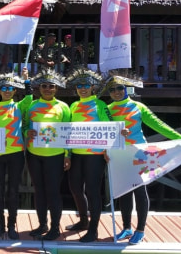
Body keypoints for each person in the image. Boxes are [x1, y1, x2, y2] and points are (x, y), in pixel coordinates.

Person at [104, 74, 181, 245]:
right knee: (124, 192)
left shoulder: (138, 106)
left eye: (119, 88)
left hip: (139, 154)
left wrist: (180, 138)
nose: (116, 92)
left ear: (126, 88)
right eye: (112, 90)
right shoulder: (107, 109)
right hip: (119, 154)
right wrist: (105, 150)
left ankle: (140, 230)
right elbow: (104, 134)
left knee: (140, 192)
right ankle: (126, 227)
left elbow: (158, 125)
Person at [0, 68, 31, 240]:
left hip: (16, 153)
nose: (7, 91)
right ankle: (0, 225)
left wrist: (26, 80)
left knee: (12, 191)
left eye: (10, 88)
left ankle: (12, 225)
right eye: (3, 88)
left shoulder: (19, 106)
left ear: (14, 91)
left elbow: (29, 98)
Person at [24, 68, 71, 241]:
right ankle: (42, 224)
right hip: (34, 154)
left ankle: (55, 227)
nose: (47, 89)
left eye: (51, 86)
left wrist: (68, 155)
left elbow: (68, 133)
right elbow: (25, 126)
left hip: (56, 155)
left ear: (56, 88)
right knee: (39, 191)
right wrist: (27, 132)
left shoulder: (63, 107)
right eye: (44, 86)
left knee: (52, 191)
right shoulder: (32, 105)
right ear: (39, 88)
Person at [66, 67, 109, 242]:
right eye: (79, 86)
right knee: (75, 188)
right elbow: (66, 132)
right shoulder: (73, 105)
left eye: (86, 85)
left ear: (93, 87)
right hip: (76, 153)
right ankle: (83, 221)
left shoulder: (100, 105)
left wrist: (107, 150)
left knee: (92, 191)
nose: (82, 88)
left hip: (95, 154)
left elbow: (108, 128)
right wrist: (67, 154)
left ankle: (93, 229)